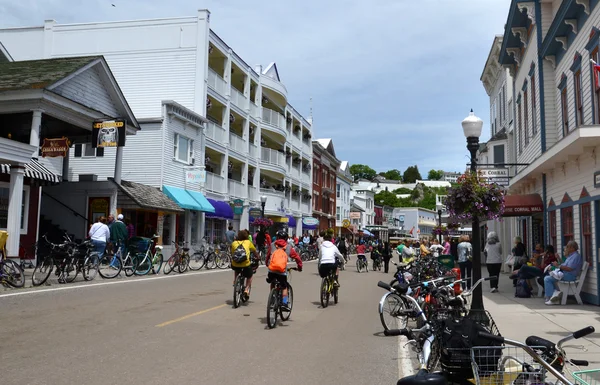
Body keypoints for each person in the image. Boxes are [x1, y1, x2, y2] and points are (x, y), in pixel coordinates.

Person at [266, 230, 303, 309]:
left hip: (272, 270)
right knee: (284, 286)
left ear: (277, 237)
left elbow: (267, 256)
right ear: (286, 238)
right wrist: (299, 267)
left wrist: (267, 264)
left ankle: (272, 299)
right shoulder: (289, 247)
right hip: (282, 271)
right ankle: (285, 302)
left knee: (272, 282)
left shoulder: (272, 245)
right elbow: (297, 258)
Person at [544, 241, 583, 305]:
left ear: (572, 248)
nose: (566, 248)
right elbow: (564, 265)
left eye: (567, 246)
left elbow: (569, 268)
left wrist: (558, 266)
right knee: (550, 275)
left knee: (547, 279)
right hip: (566, 274)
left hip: (570, 276)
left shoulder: (575, 257)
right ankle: (553, 295)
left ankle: (551, 298)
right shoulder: (571, 256)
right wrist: (558, 259)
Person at [231, 229, 260, 299]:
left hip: (235, 264)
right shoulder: (248, 242)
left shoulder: (234, 243)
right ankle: (246, 289)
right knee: (250, 275)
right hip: (246, 264)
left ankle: (235, 280)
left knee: (236, 268)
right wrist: (258, 257)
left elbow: (232, 253)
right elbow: (254, 251)